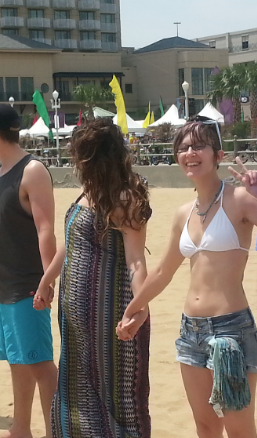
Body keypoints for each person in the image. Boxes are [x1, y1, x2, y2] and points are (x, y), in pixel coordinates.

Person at [116, 116, 257, 438]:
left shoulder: (239, 199)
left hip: (231, 329)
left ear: (218, 155)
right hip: (190, 331)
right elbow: (162, 271)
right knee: (205, 426)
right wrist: (134, 310)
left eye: (199, 145)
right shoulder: (183, 212)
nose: (190, 153)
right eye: (183, 147)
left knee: (239, 429)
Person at [30, 118, 152, 438]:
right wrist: (46, 282)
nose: (78, 164)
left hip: (110, 320)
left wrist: (140, 306)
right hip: (76, 324)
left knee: (118, 398)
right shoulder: (88, 193)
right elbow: (69, 246)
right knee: (76, 394)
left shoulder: (125, 197)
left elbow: (136, 261)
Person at [0, 105, 58, 438]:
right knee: (18, 361)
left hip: (27, 287)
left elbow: (46, 229)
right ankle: (21, 428)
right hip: (1, 288)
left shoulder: (32, 170)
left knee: (41, 365)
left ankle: (53, 432)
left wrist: (48, 280)